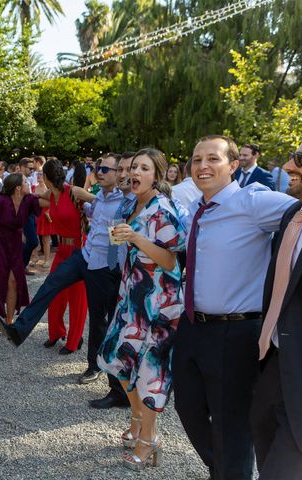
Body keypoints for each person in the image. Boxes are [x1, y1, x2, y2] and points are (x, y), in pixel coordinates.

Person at [172, 135, 295, 480]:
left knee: (232, 425)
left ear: (233, 165)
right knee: (188, 409)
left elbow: (300, 210)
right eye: (196, 160)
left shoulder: (251, 202)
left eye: (213, 158)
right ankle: (227, 469)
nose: (202, 166)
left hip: (235, 331)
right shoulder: (198, 208)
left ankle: (232, 471)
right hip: (193, 326)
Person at [0, 154, 125, 386]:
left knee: (96, 318)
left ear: (119, 173)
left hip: (101, 264)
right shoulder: (100, 199)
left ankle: (94, 366)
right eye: (99, 168)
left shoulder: (120, 201)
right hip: (83, 256)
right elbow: (89, 211)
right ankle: (19, 330)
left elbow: (116, 238)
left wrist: (115, 270)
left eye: (106, 169)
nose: (100, 172)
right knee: (51, 284)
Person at [97, 148, 186, 470]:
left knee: (150, 374)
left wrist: (136, 238)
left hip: (159, 304)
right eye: (133, 167)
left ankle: (149, 439)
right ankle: (137, 419)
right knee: (115, 357)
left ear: (157, 176)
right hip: (132, 295)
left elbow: (171, 261)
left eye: (143, 168)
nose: (133, 172)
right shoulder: (132, 204)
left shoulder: (163, 209)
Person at [250, 139, 302, 479]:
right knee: (263, 444)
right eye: (291, 158)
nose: (288, 166)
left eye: (300, 159)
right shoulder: (292, 214)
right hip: (274, 363)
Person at [89, 150, 136, 410]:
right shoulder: (124, 202)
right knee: (111, 328)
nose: (124, 175)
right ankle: (117, 389)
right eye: (121, 170)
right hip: (116, 271)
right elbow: (114, 238)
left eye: (129, 169)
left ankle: (126, 392)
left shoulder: (142, 202)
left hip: (135, 277)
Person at [37, 159, 87, 354]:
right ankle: (56, 332)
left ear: (47, 177)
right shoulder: (51, 194)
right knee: (54, 293)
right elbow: (35, 198)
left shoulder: (73, 191)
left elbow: (98, 201)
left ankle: (74, 341)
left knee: (77, 299)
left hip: (78, 250)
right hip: (62, 252)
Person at [0, 173, 41, 328]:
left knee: (14, 281)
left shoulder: (28, 201)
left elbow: (48, 199)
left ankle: (9, 320)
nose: (29, 183)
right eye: (26, 181)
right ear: (18, 187)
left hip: (15, 245)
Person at [19, 157, 39, 274]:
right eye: (29, 168)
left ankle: (22, 265)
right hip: (25, 214)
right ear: (22, 167)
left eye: (33, 168)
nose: (32, 170)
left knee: (29, 241)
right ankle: (20, 264)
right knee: (33, 241)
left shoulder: (28, 179)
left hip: (30, 213)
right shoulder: (18, 179)